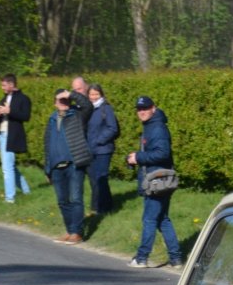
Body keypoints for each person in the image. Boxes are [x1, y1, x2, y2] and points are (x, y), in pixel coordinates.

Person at [126, 95, 183, 269]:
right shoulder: (151, 125)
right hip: (157, 179)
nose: (141, 112)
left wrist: (139, 157)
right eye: (139, 109)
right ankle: (176, 258)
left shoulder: (157, 127)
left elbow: (162, 153)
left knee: (149, 219)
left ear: (153, 108)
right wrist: (134, 158)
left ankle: (142, 257)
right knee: (162, 219)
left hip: (157, 181)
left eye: (145, 108)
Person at [42, 89, 92, 244]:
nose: (63, 103)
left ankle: (77, 232)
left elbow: (88, 105)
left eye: (65, 100)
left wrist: (70, 94)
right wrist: (47, 169)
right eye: (60, 100)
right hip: (57, 167)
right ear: (55, 103)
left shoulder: (77, 115)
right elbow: (47, 145)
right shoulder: (51, 120)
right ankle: (70, 230)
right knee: (62, 201)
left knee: (76, 198)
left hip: (74, 164)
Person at [0, 74, 32, 203]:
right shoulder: (3, 98)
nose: (2, 87)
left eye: (4, 85)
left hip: (12, 136)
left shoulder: (24, 99)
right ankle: (26, 190)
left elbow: (25, 116)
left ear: (11, 84)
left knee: (7, 168)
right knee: (10, 166)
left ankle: (10, 198)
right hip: (2, 135)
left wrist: (10, 111)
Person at [84, 83, 119, 218]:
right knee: (94, 179)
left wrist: (99, 140)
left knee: (101, 178)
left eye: (96, 94)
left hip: (103, 149)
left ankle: (103, 209)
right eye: (91, 94)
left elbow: (113, 128)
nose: (93, 97)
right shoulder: (88, 109)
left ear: (101, 95)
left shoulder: (106, 109)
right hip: (91, 149)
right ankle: (102, 206)